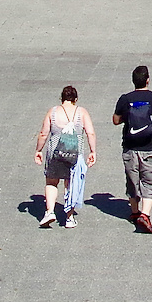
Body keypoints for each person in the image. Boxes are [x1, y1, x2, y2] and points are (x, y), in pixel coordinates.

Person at [112, 64, 152, 233]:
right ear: (148, 80)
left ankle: (135, 212)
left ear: (133, 81)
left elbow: (115, 120)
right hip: (150, 147)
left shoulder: (125, 99)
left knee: (132, 180)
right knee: (150, 181)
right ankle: (145, 214)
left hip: (130, 147)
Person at [33, 85, 97, 228]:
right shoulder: (82, 112)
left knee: (51, 182)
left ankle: (50, 211)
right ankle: (69, 217)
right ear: (75, 99)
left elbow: (44, 134)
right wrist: (93, 151)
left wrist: (38, 150)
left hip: (55, 152)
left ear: (61, 98)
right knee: (70, 184)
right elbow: (90, 132)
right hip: (75, 153)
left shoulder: (53, 112)